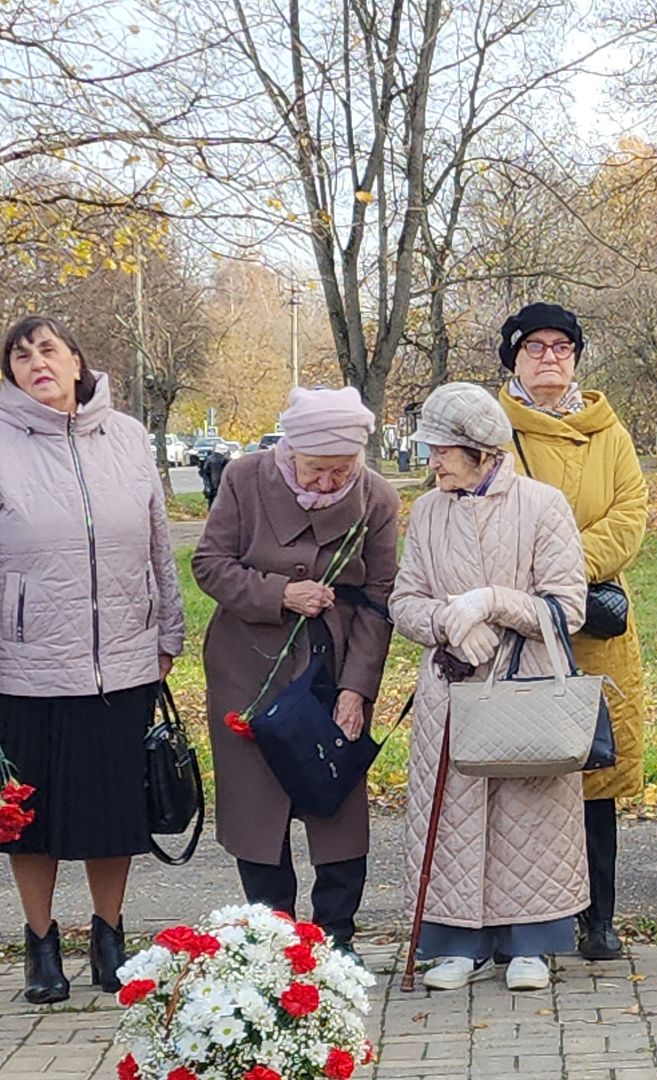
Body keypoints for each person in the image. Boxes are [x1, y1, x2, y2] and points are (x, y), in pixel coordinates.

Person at [0, 316, 185, 1004]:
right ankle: (40, 944)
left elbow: (158, 541)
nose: (36, 363)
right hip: (25, 664)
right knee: (31, 819)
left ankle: (110, 937)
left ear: (77, 362)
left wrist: (169, 630)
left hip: (123, 662)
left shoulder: (128, 437)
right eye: (20, 357)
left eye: (47, 349)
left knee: (113, 812)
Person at [389, 382, 589, 993]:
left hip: (525, 687)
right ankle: (457, 944)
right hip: (451, 688)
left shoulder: (543, 504)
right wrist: (448, 624)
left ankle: (532, 943)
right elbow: (404, 600)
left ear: (480, 450)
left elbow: (567, 606)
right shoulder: (428, 511)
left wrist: (492, 604)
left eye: (442, 450)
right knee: (453, 813)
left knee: (529, 814)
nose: (432, 461)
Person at [192, 387, 400, 964]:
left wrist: (357, 688)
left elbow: (381, 599)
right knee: (256, 805)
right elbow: (209, 564)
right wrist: (279, 593)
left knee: (337, 797)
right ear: (290, 450)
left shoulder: (377, 497)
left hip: (332, 664)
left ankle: (336, 937)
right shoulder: (245, 479)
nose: (329, 482)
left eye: (342, 470)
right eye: (316, 469)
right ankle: (272, 937)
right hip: (248, 666)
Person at [496, 303, 651, 962]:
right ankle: (525, 923)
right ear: (514, 357)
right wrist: (544, 576)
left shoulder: (608, 430)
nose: (550, 357)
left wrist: (564, 568)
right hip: (521, 627)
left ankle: (598, 919)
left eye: (562, 347)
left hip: (595, 626)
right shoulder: (493, 432)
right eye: (535, 346)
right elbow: (486, 517)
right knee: (525, 774)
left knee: (594, 775)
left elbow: (630, 514)